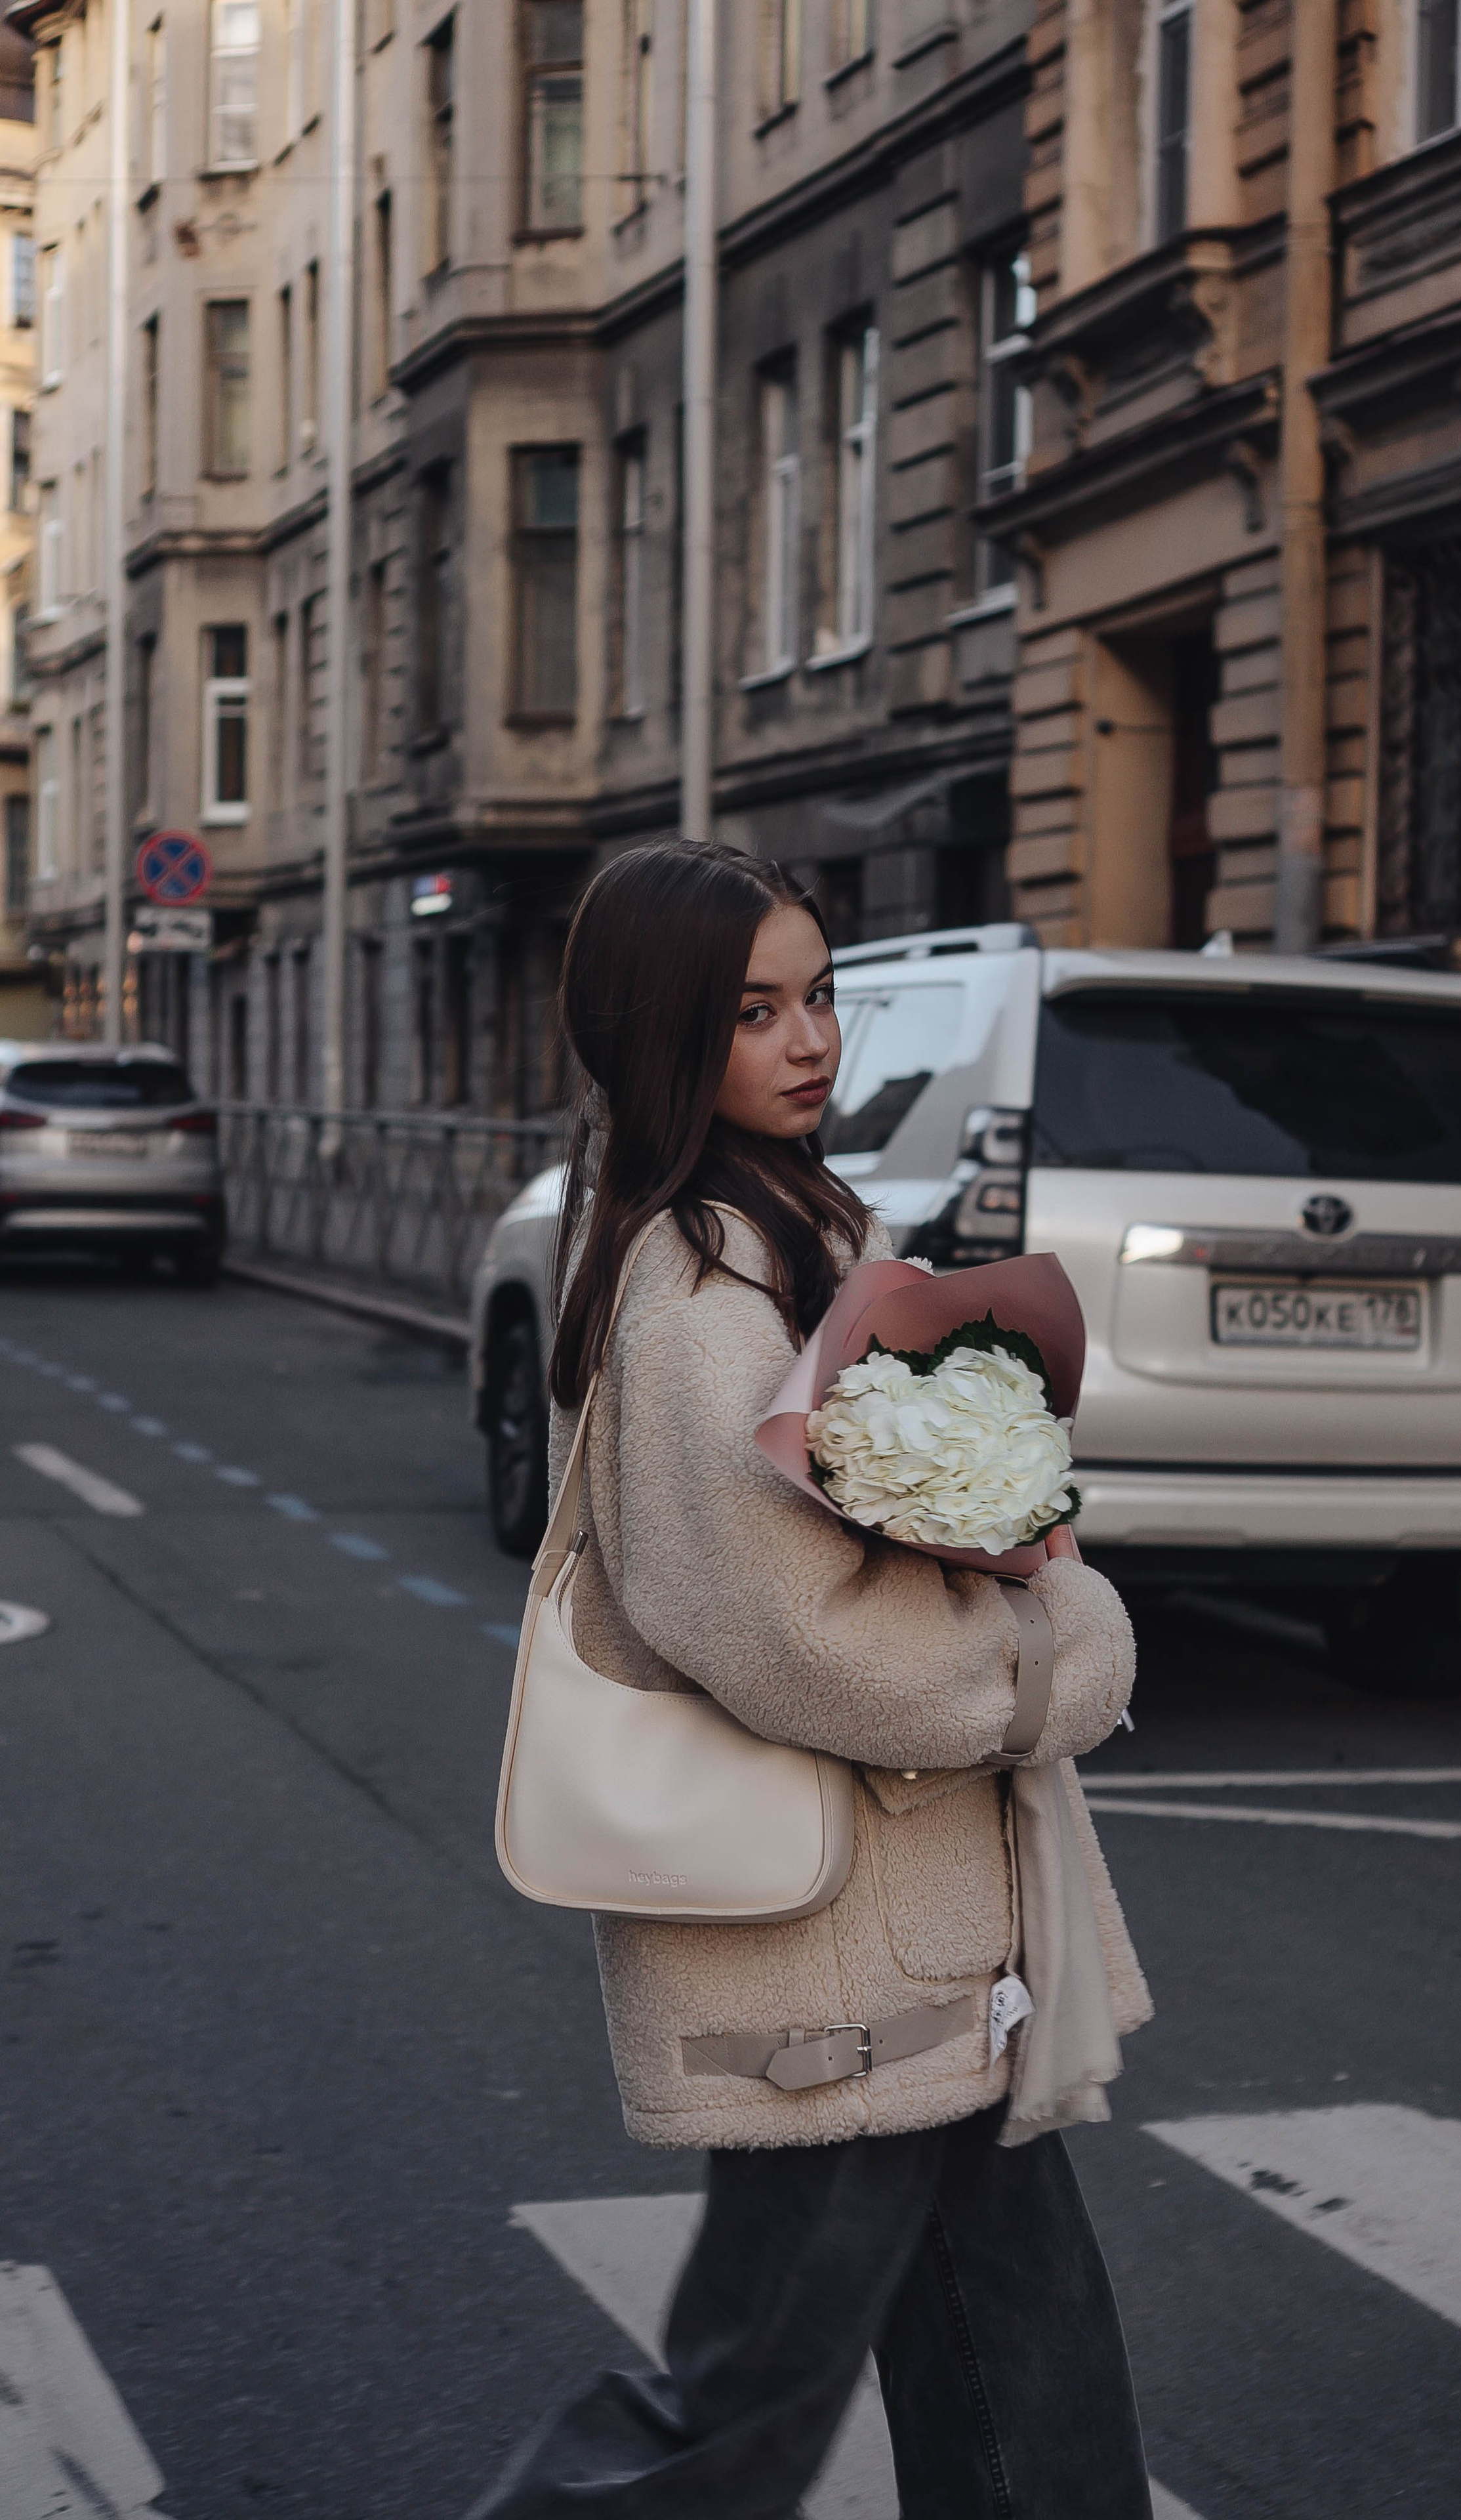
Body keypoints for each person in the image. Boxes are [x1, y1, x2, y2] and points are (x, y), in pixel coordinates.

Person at [465, 842, 1153, 2520]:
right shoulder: (700, 1287)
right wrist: (1047, 1657)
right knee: (741, 2412)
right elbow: (786, 1635)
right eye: (752, 1009)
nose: (809, 1038)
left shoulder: (784, 1234)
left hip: (905, 1939)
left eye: (819, 994)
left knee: (1024, 2365)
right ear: (654, 1034)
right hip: (828, 1954)